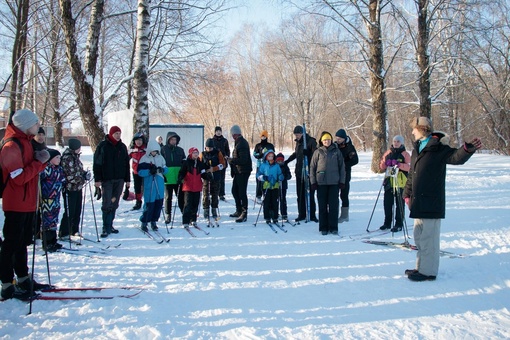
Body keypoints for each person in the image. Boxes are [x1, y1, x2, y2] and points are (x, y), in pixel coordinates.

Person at [403, 117, 481, 282]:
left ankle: (428, 272)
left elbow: (455, 157)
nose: (412, 132)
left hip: (431, 201)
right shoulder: (417, 148)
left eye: (414, 129)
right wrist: (407, 192)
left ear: (422, 128)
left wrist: (467, 149)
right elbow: (412, 173)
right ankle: (421, 267)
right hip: (418, 201)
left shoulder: (439, 148)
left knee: (429, 238)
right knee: (419, 236)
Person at [0, 109, 51, 300]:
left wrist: (40, 161)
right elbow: (19, 178)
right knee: (11, 244)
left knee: (22, 243)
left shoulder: (26, 142)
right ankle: (6, 284)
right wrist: (39, 163)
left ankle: (23, 278)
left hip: (28, 202)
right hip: (15, 203)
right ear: (25, 125)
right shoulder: (11, 146)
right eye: (35, 123)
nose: (39, 126)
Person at [93, 126, 130, 238]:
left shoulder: (122, 147)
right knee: (107, 202)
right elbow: (97, 163)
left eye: (119, 133)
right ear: (111, 134)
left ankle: (110, 224)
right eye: (116, 133)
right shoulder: (103, 146)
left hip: (119, 179)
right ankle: (105, 226)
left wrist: (127, 180)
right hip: (107, 179)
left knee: (115, 202)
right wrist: (97, 179)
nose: (118, 135)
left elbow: (126, 165)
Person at [309, 132, 346, 235]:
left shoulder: (337, 152)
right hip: (321, 183)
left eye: (328, 140)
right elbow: (312, 168)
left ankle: (333, 227)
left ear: (331, 140)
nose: (327, 142)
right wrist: (313, 182)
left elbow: (342, 168)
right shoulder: (318, 152)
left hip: (334, 183)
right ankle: (323, 227)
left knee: (334, 206)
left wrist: (342, 181)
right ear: (322, 141)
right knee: (322, 206)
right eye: (325, 140)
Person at [285, 125, 318, 222]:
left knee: (310, 194)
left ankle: (312, 215)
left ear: (303, 133)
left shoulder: (311, 141)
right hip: (299, 172)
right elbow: (296, 154)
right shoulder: (298, 143)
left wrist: (309, 154)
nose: (297, 136)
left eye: (298, 134)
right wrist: (287, 161)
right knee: (300, 194)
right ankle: (301, 214)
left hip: (309, 172)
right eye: (296, 135)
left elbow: (316, 155)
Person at [379, 135, 411, 232]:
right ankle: (387, 222)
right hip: (389, 181)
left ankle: (399, 223)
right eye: (394, 141)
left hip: (400, 182)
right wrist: (386, 164)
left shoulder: (405, 154)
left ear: (401, 143)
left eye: (398, 141)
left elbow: (409, 167)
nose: (396, 143)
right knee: (387, 203)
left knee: (399, 204)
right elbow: (381, 166)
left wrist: (399, 165)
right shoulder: (388, 153)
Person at [59, 138, 89, 239]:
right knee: (69, 210)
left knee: (77, 210)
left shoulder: (75, 157)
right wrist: (82, 178)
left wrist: (85, 174)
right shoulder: (67, 158)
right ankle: (64, 232)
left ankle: (74, 230)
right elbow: (69, 176)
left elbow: (78, 170)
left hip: (78, 188)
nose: (79, 149)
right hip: (69, 188)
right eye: (78, 147)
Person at [137, 139, 168, 231]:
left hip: (159, 182)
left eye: (156, 151)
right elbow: (140, 172)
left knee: (158, 204)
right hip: (150, 184)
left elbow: (166, 168)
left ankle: (154, 221)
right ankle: (144, 222)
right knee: (149, 204)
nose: (154, 153)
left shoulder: (161, 158)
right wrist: (149, 172)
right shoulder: (144, 159)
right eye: (153, 151)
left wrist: (162, 170)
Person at [40, 149, 66, 252]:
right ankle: (46, 243)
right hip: (47, 199)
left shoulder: (59, 169)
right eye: (57, 158)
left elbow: (62, 179)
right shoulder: (46, 169)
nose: (59, 160)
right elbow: (39, 180)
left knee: (54, 220)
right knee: (47, 220)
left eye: (60, 158)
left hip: (56, 198)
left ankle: (53, 241)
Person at [178, 147, 209, 228]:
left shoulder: (200, 163)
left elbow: (202, 173)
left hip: (197, 187)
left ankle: (193, 219)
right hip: (188, 187)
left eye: (197, 153)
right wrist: (180, 177)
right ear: (190, 154)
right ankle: (185, 221)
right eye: (194, 153)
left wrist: (207, 176)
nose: (196, 154)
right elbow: (182, 172)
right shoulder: (186, 162)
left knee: (195, 204)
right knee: (187, 204)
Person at [227, 125, 252, 223]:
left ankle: (244, 213)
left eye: (233, 134)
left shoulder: (242, 143)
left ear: (235, 134)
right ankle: (239, 210)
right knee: (234, 191)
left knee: (241, 192)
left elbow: (243, 160)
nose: (233, 136)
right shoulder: (238, 143)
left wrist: (232, 160)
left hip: (243, 171)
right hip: (238, 171)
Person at [334, 129, 359, 223]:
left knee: (344, 194)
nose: (338, 140)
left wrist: (344, 165)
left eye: (340, 138)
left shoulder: (350, 147)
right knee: (334, 194)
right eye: (337, 138)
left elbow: (355, 160)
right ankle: (334, 213)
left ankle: (344, 215)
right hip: (335, 174)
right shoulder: (335, 145)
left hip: (345, 174)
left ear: (344, 138)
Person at [161, 131, 186, 224]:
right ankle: (168, 214)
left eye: (175, 139)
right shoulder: (163, 150)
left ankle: (184, 213)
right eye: (171, 139)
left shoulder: (180, 150)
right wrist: (163, 175)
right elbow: (161, 163)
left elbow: (184, 163)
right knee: (168, 197)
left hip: (178, 177)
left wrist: (182, 175)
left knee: (180, 197)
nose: (173, 141)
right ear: (168, 140)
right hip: (168, 178)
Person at [199, 138, 226, 221]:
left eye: (210, 148)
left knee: (215, 194)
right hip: (206, 177)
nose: (209, 149)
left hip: (216, 177)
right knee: (206, 194)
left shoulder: (218, 153)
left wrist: (214, 169)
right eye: (207, 148)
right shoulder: (202, 154)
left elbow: (223, 164)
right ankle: (206, 210)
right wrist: (205, 171)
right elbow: (200, 165)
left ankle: (214, 209)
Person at [256, 150, 284, 224]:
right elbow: (258, 175)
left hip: (275, 186)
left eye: (272, 156)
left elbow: (280, 173)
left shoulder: (276, 165)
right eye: (269, 156)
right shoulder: (263, 165)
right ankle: (267, 216)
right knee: (267, 201)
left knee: (275, 201)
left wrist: (280, 177)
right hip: (266, 186)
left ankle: (275, 217)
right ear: (266, 157)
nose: (271, 158)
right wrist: (264, 177)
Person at [253, 130, 275, 203]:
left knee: (266, 180)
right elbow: (255, 154)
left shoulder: (270, 145)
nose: (263, 137)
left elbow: (273, 154)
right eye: (262, 136)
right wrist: (260, 155)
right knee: (259, 180)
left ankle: (266, 195)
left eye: (264, 136)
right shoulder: (258, 145)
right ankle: (258, 196)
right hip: (260, 166)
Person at [129, 132, 147, 210]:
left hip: (146, 172)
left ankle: (148, 202)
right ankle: (138, 202)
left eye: (140, 140)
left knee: (147, 187)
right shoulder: (132, 150)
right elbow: (125, 159)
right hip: (136, 172)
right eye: (137, 140)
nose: (138, 142)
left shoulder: (146, 149)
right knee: (137, 188)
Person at [212, 126, 230, 200]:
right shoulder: (212, 140)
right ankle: (214, 193)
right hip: (214, 162)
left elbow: (227, 150)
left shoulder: (225, 141)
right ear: (215, 132)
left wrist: (226, 156)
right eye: (217, 131)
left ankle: (221, 194)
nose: (218, 132)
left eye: (220, 131)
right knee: (214, 178)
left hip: (223, 162)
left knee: (222, 179)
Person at [275, 153, 292, 222]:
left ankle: (284, 213)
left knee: (283, 199)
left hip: (283, 186)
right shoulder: (275, 166)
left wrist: (284, 176)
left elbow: (289, 176)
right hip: (275, 186)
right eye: (278, 161)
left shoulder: (285, 166)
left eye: (281, 161)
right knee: (275, 200)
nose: (280, 162)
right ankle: (275, 213)